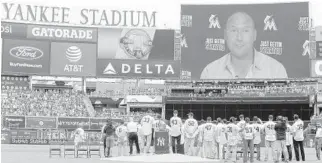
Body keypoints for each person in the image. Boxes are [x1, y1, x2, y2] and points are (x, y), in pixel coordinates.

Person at [200, 12, 287, 79]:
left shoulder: (275, 70)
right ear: (225, 35)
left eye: (245, 30)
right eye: (234, 30)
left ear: (254, 35)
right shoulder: (210, 72)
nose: (239, 37)